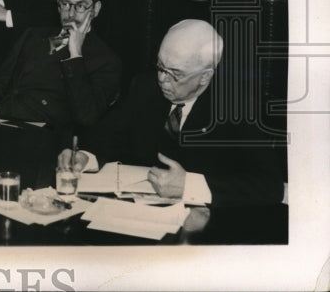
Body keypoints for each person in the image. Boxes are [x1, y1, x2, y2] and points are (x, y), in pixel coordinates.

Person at [60, 19, 285, 206]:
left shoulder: (236, 107)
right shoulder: (145, 87)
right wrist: (83, 157)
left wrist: (190, 186)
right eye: (160, 66)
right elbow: (108, 135)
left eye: (175, 73)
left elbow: (269, 186)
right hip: (141, 218)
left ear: (205, 76)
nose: (162, 79)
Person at [0, 0, 121, 129]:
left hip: (40, 136)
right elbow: (0, 81)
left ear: (96, 9)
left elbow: (86, 117)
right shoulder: (33, 35)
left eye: (80, 6)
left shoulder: (105, 60)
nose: (71, 14)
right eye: (66, 4)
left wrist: (75, 55)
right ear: (58, 4)